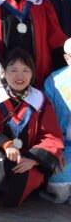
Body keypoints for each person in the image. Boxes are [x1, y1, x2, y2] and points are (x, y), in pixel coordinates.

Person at [0, 48, 64, 208]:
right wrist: (6, 145)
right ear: (4, 73)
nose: (19, 76)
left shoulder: (40, 101)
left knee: (21, 178)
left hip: (27, 156)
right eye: (13, 70)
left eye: (25, 70)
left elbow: (51, 135)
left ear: (32, 74)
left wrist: (34, 160)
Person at [42, 38, 71, 204]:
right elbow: (46, 123)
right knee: (60, 169)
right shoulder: (54, 83)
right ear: (67, 58)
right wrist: (55, 149)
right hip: (63, 146)